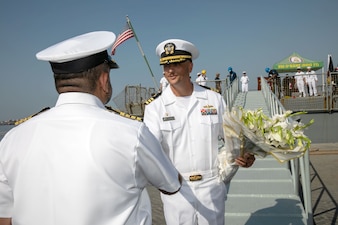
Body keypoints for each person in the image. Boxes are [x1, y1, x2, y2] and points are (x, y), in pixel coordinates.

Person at [0, 31, 182, 225]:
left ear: (58, 82)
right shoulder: (131, 133)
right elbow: (171, 184)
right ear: (104, 79)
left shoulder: (12, 139)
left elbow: (5, 217)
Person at [143, 38, 255, 225]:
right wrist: (165, 184)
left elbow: (232, 138)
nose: (170, 70)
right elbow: (150, 152)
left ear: (190, 67)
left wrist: (246, 154)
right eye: (165, 65)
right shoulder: (155, 108)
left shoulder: (213, 99)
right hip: (177, 190)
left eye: (176, 64)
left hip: (211, 185)